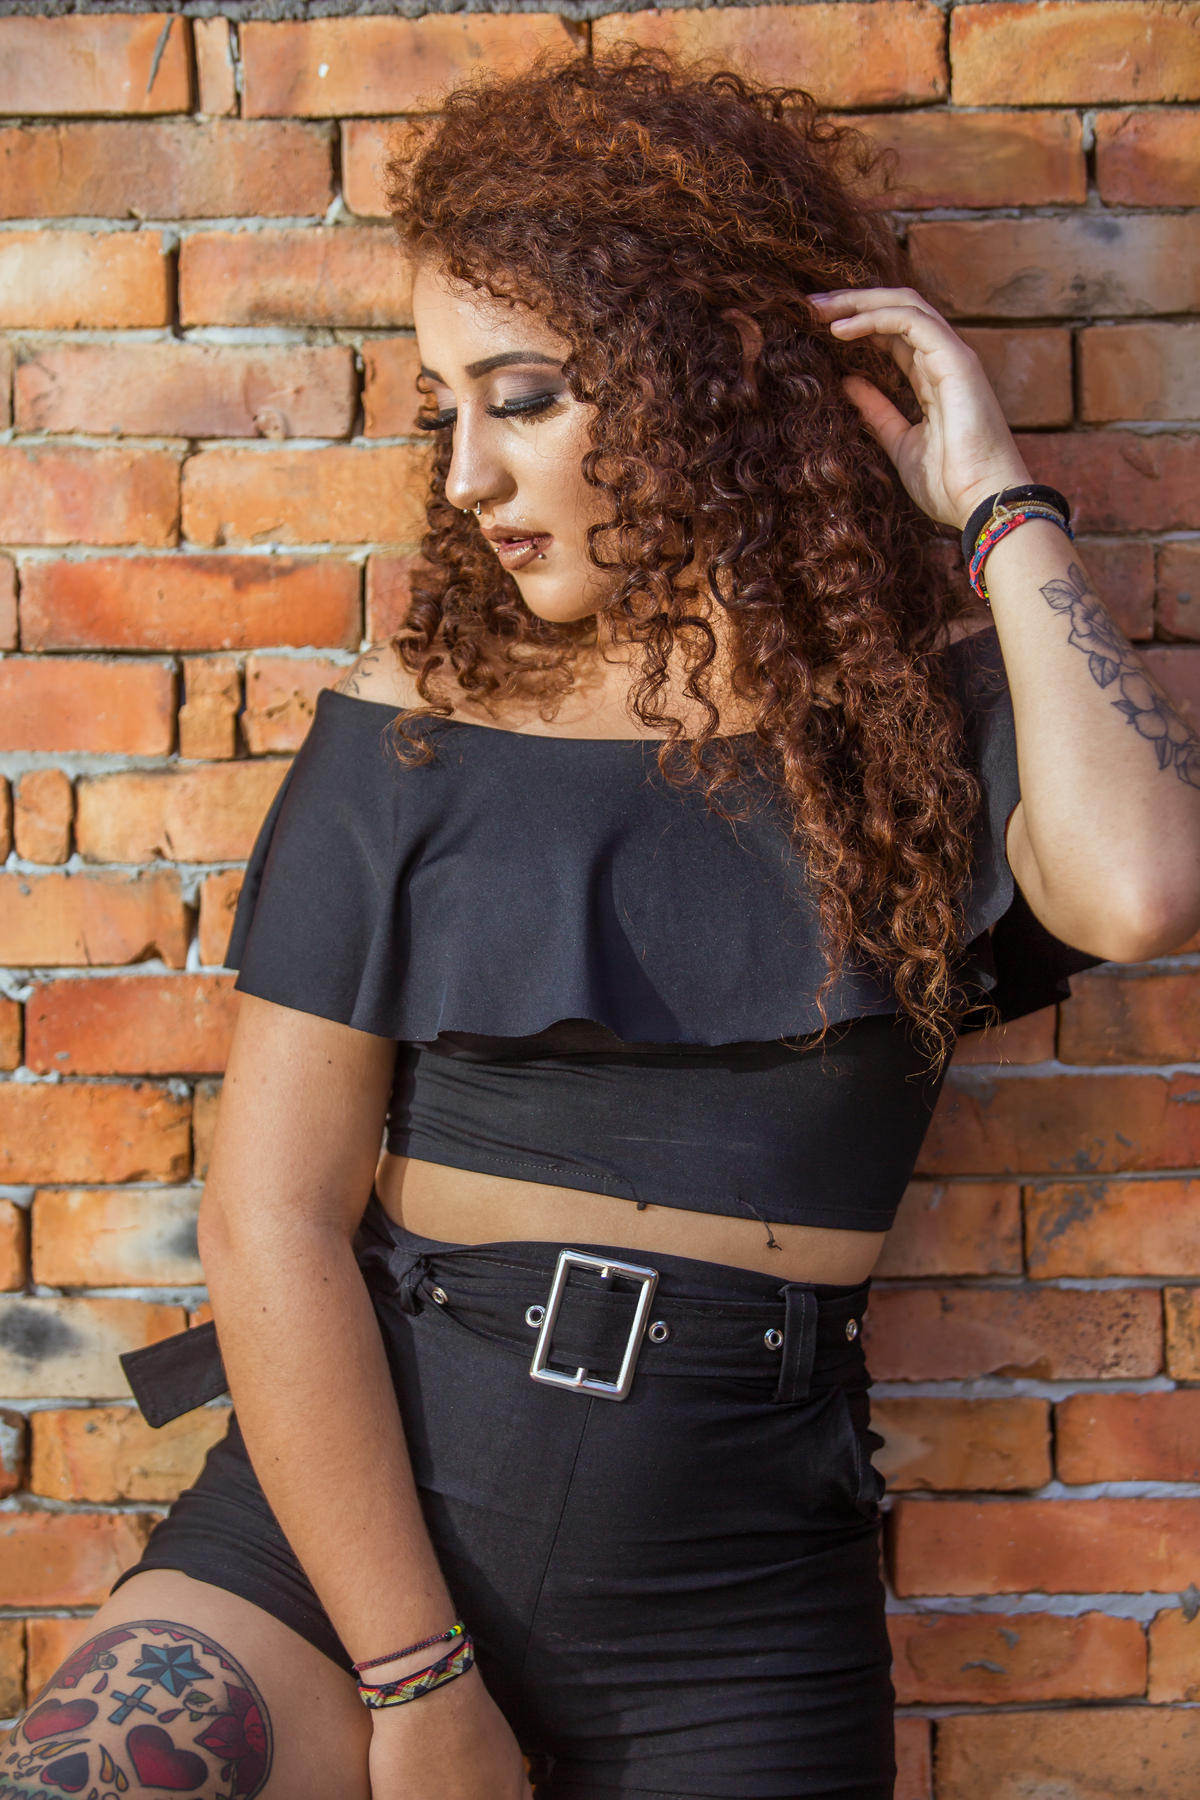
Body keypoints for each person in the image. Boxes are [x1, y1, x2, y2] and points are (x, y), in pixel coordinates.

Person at [11, 49, 1199, 1800]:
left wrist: (995, 501)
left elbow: (1142, 888)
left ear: (709, 374)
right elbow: (271, 1219)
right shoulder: (415, 723)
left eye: (524, 398)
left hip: (735, 1606)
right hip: (350, 1550)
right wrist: (418, 1679)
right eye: (444, 409)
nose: (470, 474)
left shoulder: (930, 720)